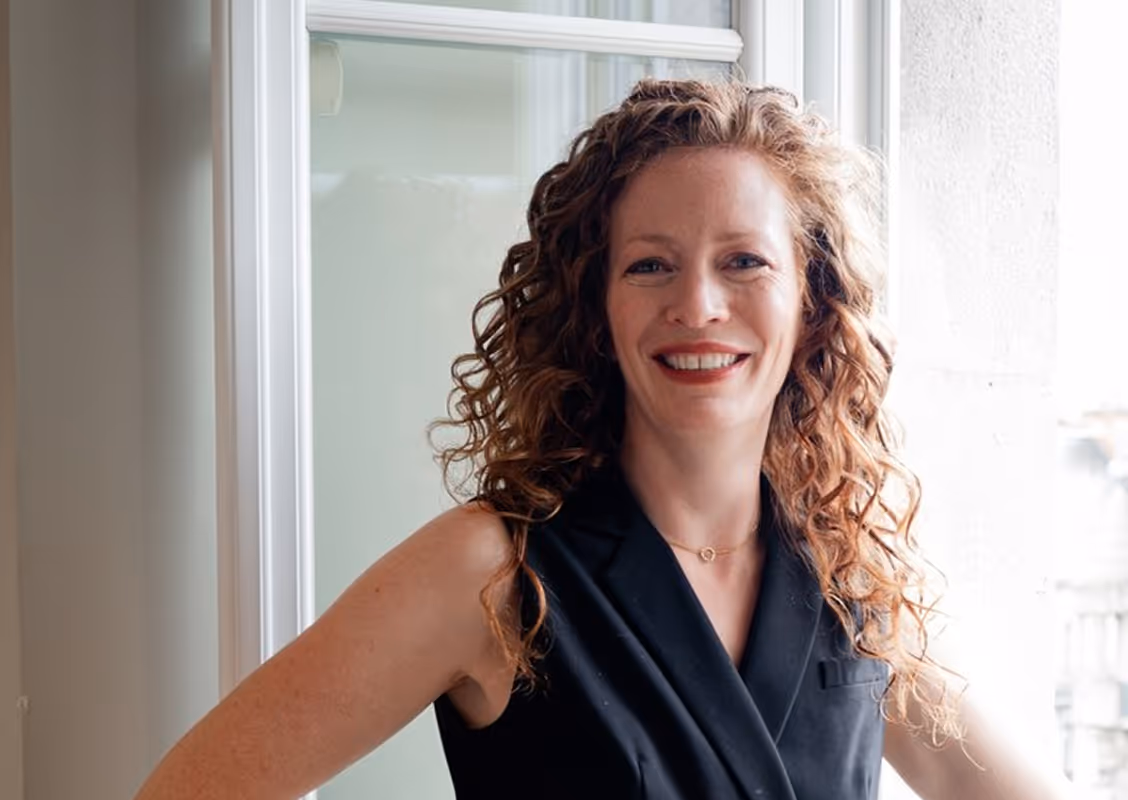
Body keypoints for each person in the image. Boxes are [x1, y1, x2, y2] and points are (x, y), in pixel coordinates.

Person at [134, 79, 1070, 799]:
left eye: (743, 261)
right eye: (650, 264)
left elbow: (980, 782)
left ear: (814, 304)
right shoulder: (492, 572)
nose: (697, 305)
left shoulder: (844, 571)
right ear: (597, 309)